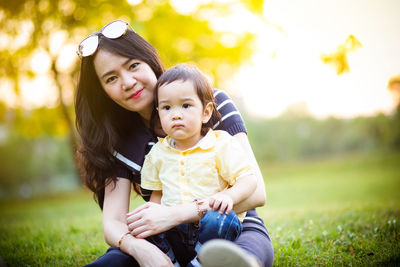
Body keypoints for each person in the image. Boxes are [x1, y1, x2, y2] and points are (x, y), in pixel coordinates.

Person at [75, 20, 273, 267]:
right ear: (102, 91)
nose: (127, 82)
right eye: (111, 78)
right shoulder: (118, 140)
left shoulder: (210, 103)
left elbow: (256, 192)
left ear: (150, 60)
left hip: (231, 226)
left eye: (133, 65)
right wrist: (139, 248)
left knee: (242, 259)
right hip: (164, 239)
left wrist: (174, 215)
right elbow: (113, 223)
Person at [140, 63, 257, 266]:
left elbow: (248, 179)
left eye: (186, 106)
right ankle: (170, 261)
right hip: (173, 229)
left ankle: (201, 261)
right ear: (158, 112)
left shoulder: (219, 144)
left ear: (206, 112)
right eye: (167, 108)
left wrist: (228, 196)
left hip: (209, 226)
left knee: (221, 219)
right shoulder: (158, 153)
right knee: (144, 225)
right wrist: (151, 216)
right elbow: (156, 197)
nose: (176, 114)